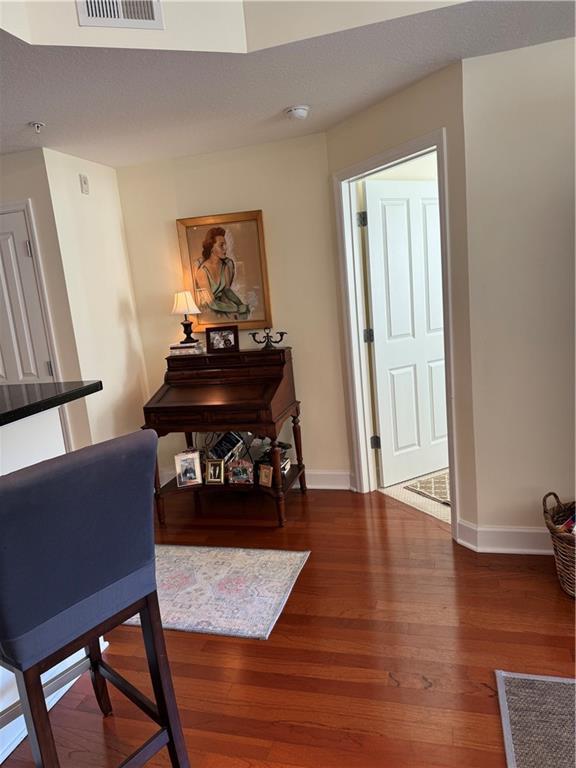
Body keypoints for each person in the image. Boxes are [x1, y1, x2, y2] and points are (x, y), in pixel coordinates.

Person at [193, 227, 249, 319]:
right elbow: (211, 303)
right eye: (221, 245)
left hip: (224, 306)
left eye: (225, 245)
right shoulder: (202, 271)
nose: (225, 248)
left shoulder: (225, 265)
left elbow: (227, 290)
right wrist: (237, 308)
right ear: (211, 247)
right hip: (210, 312)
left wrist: (241, 304)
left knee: (243, 317)